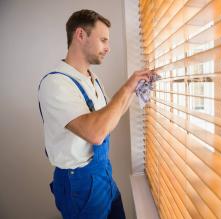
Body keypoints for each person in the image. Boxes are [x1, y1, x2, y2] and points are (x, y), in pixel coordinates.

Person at [38, 9, 155, 219]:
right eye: (103, 40)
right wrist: (127, 87)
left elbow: (110, 116)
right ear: (80, 35)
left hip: (102, 173)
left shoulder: (93, 78)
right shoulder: (56, 83)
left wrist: (137, 89)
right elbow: (96, 133)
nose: (108, 48)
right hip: (78, 183)